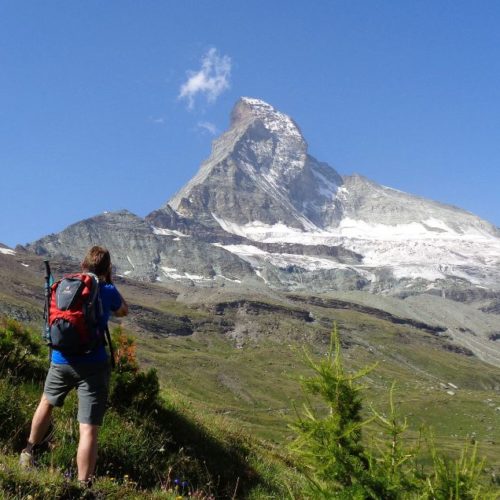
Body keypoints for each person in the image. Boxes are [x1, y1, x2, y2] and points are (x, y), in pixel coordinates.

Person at [19, 246, 128, 487]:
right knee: (88, 428)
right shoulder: (106, 288)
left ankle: (27, 453)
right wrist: (108, 283)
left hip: (60, 359)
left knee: (46, 402)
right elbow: (123, 311)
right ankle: (83, 484)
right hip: (93, 365)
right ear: (107, 268)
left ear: (83, 265)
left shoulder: (65, 284)